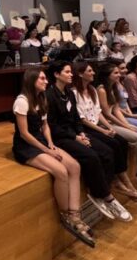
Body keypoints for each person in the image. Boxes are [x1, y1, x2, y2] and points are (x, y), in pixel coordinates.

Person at [13, 68, 94, 247]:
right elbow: (24, 134)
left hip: (41, 141)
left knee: (75, 167)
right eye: (42, 78)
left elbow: (45, 126)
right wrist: (46, 150)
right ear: (32, 80)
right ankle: (65, 214)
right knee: (61, 172)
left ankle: (75, 214)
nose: (46, 81)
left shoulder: (41, 98)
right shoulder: (22, 101)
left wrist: (50, 143)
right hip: (26, 146)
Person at [46, 61, 132, 222]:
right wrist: (75, 137)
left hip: (75, 133)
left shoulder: (69, 93)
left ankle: (104, 191)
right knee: (91, 156)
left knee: (107, 151)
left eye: (71, 72)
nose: (71, 74)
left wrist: (80, 133)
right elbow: (52, 125)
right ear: (56, 75)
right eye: (67, 72)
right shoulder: (49, 96)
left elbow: (76, 119)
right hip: (61, 137)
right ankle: (104, 196)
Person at [71, 63, 137, 200]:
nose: (93, 73)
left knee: (121, 141)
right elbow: (82, 119)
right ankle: (116, 181)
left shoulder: (92, 89)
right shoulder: (74, 93)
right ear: (80, 74)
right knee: (111, 145)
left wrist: (108, 127)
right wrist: (102, 131)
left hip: (96, 124)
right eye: (89, 71)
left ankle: (122, 178)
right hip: (86, 128)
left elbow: (98, 112)